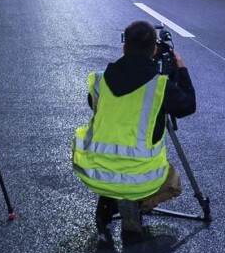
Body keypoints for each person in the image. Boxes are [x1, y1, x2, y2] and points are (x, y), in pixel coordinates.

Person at [73, 21, 197, 240]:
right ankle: (136, 204)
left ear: (124, 48)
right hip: (141, 179)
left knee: (115, 165)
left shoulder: (99, 81)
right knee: (174, 183)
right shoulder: (160, 86)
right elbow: (187, 106)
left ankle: (110, 199)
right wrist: (181, 68)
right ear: (154, 50)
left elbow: (95, 104)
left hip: (94, 172)